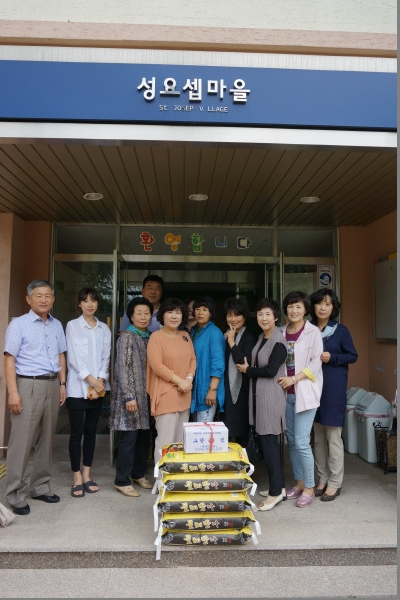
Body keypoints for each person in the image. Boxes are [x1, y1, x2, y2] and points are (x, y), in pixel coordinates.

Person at [3, 279, 67, 515]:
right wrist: (13, 392)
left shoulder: (56, 325)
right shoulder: (19, 324)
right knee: (21, 442)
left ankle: (40, 486)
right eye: (38, 295)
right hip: (27, 384)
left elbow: (61, 356)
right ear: (29, 299)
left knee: (46, 439)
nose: (43, 299)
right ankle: (15, 493)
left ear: (53, 299)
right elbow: (9, 359)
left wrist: (62, 384)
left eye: (48, 295)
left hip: (52, 384)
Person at [237, 298, 287, 511]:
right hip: (259, 397)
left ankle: (275, 493)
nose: (264, 318)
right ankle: (279, 487)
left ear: (276, 317)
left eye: (268, 314)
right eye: (260, 314)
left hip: (271, 398)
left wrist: (248, 370)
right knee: (267, 444)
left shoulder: (279, 341)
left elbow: (270, 370)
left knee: (270, 445)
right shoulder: (261, 337)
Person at [309, 288, 358, 501]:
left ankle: (335, 482)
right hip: (312, 388)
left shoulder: (341, 331)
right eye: (319, 303)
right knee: (317, 437)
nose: (323, 307)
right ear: (313, 306)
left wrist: (334, 357)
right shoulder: (308, 330)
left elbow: (352, 355)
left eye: (327, 304)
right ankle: (322, 478)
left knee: (333, 437)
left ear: (333, 308)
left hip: (333, 389)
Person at [277, 290, 323, 508]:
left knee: (302, 441)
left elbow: (315, 364)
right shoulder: (281, 331)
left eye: (298, 307)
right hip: (285, 394)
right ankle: (299, 483)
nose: (294, 311)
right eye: (290, 306)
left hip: (304, 392)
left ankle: (310, 488)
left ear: (305, 310)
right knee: (292, 441)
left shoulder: (313, 332)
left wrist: (293, 379)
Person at [65, 287, 111, 498]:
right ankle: (76, 476)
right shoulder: (72, 326)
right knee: (76, 433)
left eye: (93, 300)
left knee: (91, 432)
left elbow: (106, 357)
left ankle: (87, 474)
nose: (90, 304)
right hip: (77, 388)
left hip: (98, 388)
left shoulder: (104, 329)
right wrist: (93, 381)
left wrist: (101, 380)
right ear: (80, 304)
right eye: (85, 300)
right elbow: (73, 358)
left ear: (97, 303)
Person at [110, 297, 154, 497]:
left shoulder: (150, 337)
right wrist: (129, 396)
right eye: (139, 313)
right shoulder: (127, 337)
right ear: (131, 316)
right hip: (131, 398)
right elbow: (122, 368)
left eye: (147, 313)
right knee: (129, 438)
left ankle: (138, 474)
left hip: (146, 398)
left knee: (144, 437)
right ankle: (122, 480)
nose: (143, 317)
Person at [146, 298, 196, 462]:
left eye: (178, 312)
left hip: (184, 394)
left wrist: (188, 379)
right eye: (170, 312)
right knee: (165, 442)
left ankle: (175, 476)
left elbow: (193, 359)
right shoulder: (156, 337)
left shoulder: (185, 336)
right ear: (162, 315)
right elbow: (157, 366)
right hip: (166, 394)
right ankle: (162, 477)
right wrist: (180, 382)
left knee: (180, 442)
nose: (174, 316)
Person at [222, 297, 257, 447]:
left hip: (242, 389)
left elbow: (243, 363)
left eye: (237, 315)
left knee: (240, 430)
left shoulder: (249, 337)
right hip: (225, 388)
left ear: (245, 317)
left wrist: (232, 343)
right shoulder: (225, 335)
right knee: (225, 430)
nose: (233, 319)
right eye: (230, 315)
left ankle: (243, 460)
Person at [190, 296, 225, 422]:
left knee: (203, 429)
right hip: (196, 389)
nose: (200, 313)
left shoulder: (214, 333)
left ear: (211, 313)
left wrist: (212, 390)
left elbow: (218, 363)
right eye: (197, 309)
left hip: (207, 389)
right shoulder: (195, 331)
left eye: (205, 310)